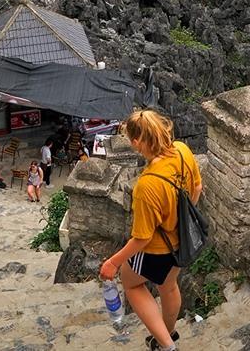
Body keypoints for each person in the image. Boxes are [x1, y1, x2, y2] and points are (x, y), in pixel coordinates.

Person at [99, 109, 202, 351]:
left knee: (132, 285)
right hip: (184, 241)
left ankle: (166, 345)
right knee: (168, 286)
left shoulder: (147, 185)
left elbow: (142, 238)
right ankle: (169, 333)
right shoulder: (182, 151)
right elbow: (197, 187)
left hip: (158, 249)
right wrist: (182, 222)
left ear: (136, 142)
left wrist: (112, 263)